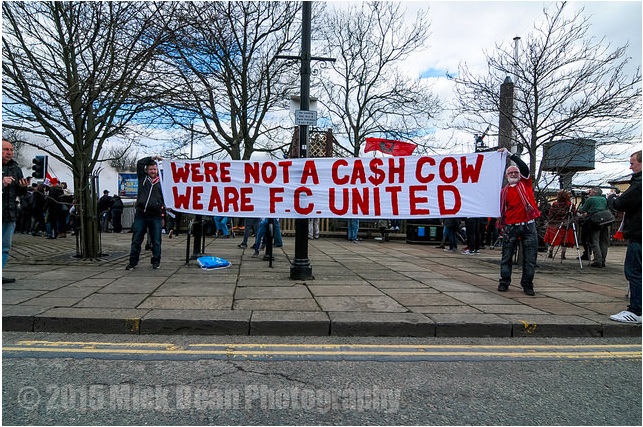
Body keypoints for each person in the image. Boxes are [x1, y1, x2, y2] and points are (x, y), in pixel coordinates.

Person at [497, 148, 540, 296]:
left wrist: (510, 155)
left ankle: (528, 284)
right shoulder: (504, 192)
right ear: (507, 176)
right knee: (506, 256)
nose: (514, 174)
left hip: (528, 225)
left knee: (529, 258)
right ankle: (504, 282)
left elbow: (524, 167)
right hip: (510, 227)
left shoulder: (526, 184)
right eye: (511, 173)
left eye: (516, 172)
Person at [607, 150, 641, 324]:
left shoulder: (639, 184)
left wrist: (613, 197)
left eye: (633, 162)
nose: (630, 166)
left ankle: (637, 311)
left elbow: (621, 204)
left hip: (638, 236)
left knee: (634, 272)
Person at [126, 155, 164, 270]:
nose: (152, 171)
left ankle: (156, 261)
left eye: (154, 169)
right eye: (150, 169)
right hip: (141, 214)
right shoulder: (142, 178)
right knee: (136, 239)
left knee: (156, 241)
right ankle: (133, 262)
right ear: (147, 170)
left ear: (157, 170)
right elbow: (139, 163)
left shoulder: (162, 182)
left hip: (155, 215)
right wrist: (152, 158)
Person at [2, 139, 30, 283]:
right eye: (5, 149)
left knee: (5, 245)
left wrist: (23, 186)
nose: (9, 152)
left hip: (9, 212)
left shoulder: (15, 168)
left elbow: (20, 193)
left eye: (11, 150)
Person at [578, 187, 610, 267]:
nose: (589, 193)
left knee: (594, 240)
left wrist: (581, 205)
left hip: (595, 221)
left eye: (591, 192)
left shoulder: (591, 199)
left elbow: (583, 209)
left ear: (595, 193)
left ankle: (597, 260)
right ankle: (603, 260)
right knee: (603, 241)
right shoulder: (604, 199)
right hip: (605, 220)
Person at [544, 190, 576, 260]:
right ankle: (563, 254)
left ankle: (550, 252)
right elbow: (573, 214)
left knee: (552, 239)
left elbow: (551, 213)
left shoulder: (555, 204)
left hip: (554, 224)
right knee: (564, 239)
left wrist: (550, 221)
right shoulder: (570, 204)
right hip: (565, 224)